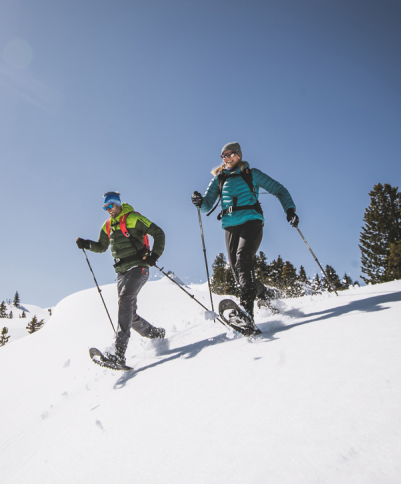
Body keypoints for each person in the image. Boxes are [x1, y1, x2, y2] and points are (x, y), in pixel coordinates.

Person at [192, 142, 298, 322]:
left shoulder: (252, 174)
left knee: (242, 259)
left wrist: (290, 210)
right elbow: (207, 206)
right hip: (230, 226)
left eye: (230, 154)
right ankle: (264, 294)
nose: (226, 158)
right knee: (238, 272)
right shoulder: (218, 179)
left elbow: (279, 190)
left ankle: (246, 312)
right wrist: (199, 201)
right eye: (223, 156)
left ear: (239, 155)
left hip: (252, 221)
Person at [76, 192, 166, 366]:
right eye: (105, 207)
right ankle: (155, 334)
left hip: (139, 268)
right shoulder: (107, 225)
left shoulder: (133, 218)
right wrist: (86, 244)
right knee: (129, 314)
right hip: (121, 272)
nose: (108, 210)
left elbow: (158, 232)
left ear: (117, 204)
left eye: (110, 206)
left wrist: (155, 254)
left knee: (124, 300)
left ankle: (118, 353)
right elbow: (102, 247)